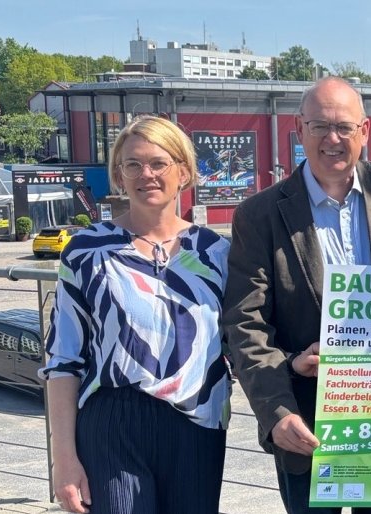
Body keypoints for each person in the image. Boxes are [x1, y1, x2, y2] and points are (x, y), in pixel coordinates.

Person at [223, 76, 371, 514]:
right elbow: (244, 322)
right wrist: (275, 411)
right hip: (304, 417)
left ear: (364, 131)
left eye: (345, 128)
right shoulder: (258, 214)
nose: (333, 139)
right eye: (319, 127)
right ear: (298, 129)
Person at [41, 115, 231, 514]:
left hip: (197, 424)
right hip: (113, 422)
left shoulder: (217, 253)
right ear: (118, 175)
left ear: (184, 171)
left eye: (159, 163)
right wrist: (64, 459)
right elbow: (63, 360)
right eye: (133, 164)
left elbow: (244, 337)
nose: (147, 174)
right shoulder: (85, 251)